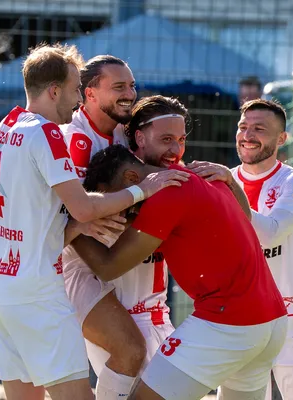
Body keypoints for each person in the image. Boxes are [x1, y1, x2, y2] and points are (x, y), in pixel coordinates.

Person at [0, 44, 189, 400]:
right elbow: (82, 209)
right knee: (94, 381)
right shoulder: (52, 134)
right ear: (55, 91)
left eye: (131, 85)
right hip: (42, 285)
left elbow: (50, 215)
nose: (77, 99)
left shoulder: (8, 125)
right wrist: (142, 190)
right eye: (76, 89)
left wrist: (77, 223)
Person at [71, 144, 288, 400]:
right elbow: (243, 217)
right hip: (273, 320)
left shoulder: (166, 194)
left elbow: (109, 266)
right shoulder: (203, 176)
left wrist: (72, 223)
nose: (116, 208)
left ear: (131, 178)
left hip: (228, 321)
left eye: (114, 200)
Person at [61, 56, 191, 399]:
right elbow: (75, 213)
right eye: (118, 86)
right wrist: (135, 196)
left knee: (149, 377)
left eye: (132, 85)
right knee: (129, 353)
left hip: (123, 266)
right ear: (89, 93)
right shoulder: (74, 139)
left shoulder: (125, 130)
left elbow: (156, 168)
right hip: (80, 264)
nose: (130, 94)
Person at [188, 98, 293, 399]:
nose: (248, 135)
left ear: (282, 138)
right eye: (243, 127)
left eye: (259, 129)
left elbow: (270, 234)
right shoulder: (219, 181)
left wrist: (230, 187)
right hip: (243, 320)